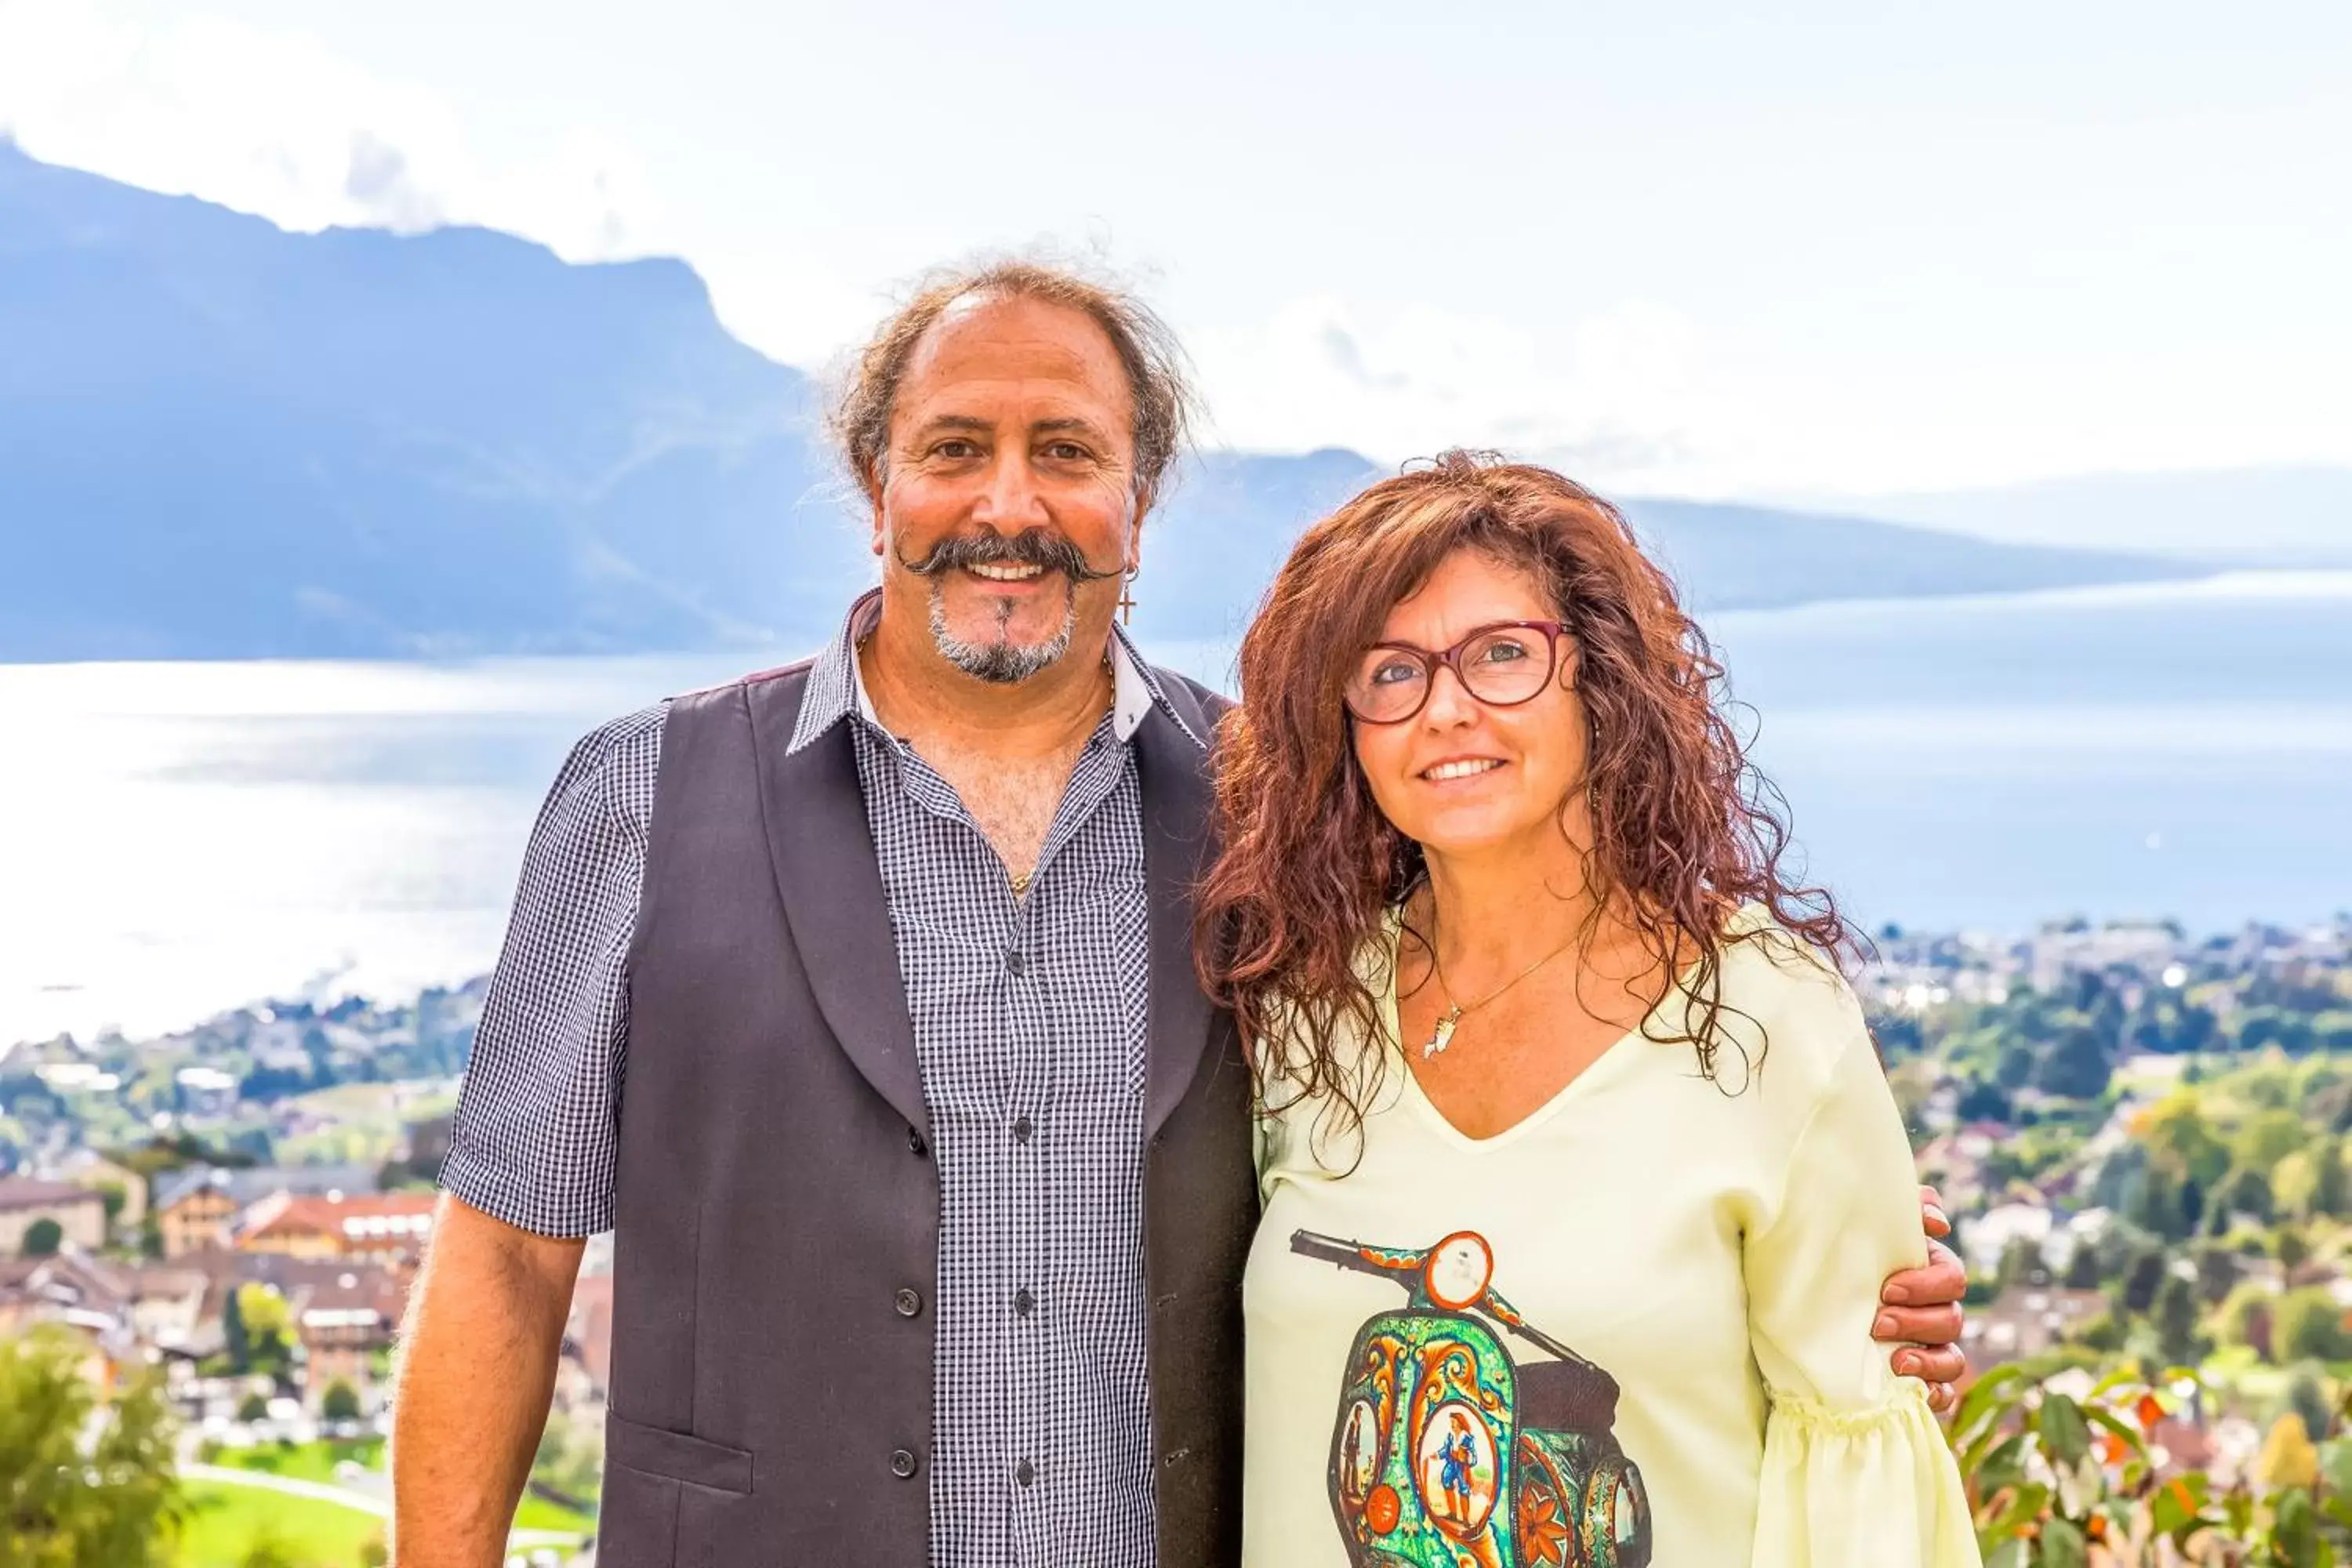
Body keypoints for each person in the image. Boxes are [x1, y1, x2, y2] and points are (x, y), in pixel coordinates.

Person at [388, 262, 1969, 1568]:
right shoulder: (638, 797)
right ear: (878, 489)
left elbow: (1535, 1075)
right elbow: (506, 1263)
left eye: (1067, 452)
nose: (1009, 503)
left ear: (1138, 505)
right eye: (955, 448)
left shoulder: (1277, 814)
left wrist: (1840, 1268)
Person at [1200, 452, 1981, 1566]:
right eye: (1390, 673)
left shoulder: (1764, 1021)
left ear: (1598, 679)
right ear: (1346, 728)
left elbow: (1860, 1476)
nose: (1447, 710)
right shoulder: (1306, 1017)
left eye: (1503, 655)